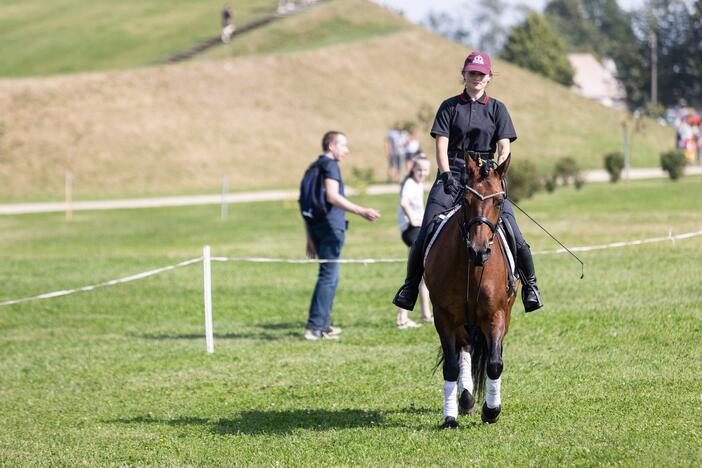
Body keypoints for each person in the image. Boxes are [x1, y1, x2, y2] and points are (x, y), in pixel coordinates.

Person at [391, 51, 544, 314]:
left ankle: (530, 286)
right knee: (425, 232)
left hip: (486, 179)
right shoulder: (449, 107)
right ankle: (409, 287)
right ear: (464, 74)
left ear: (489, 77)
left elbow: (504, 146)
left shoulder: (498, 109)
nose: (476, 78)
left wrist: (498, 174)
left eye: (481, 74)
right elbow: (441, 143)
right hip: (454, 173)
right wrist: (446, 174)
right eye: (472, 73)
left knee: (515, 235)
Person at [303, 131, 381, 340]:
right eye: (343, 145)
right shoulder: (330, 166)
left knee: (330, 276)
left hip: (317, 227)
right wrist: (361, 211)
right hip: (331, 227)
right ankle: (315, 327)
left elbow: (304, 204)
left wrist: (310, 238)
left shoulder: (314, 166)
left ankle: (323, 324)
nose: (346, 150)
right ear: (331, 146)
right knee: (328, 277)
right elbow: (332, 196)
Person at [396, 155, 433, 328]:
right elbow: (404, 202)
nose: (422, 173)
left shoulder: (418, 184)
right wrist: (412, 219)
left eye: (425, 170)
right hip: (412, 230)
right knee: (416, 272)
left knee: (423, 274)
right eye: (419, 169)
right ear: (413, 169)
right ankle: (402, 317)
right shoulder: (410, 183)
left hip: (417, 228)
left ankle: (426, 314)